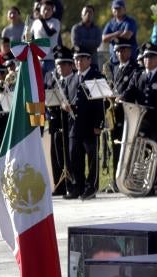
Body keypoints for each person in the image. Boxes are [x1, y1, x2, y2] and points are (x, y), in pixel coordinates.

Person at [120, 43, 157, 197]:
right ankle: (142, 184)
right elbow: (129, 93)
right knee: (141, 154)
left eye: (151, 57)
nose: (147, 60)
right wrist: (120, 97)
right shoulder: (138, 75)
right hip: (141, 122)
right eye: (145, 57)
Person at [64, 47, 104, 200]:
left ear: (89, 60)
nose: (78, 62)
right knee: (75, 157)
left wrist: (98, 124)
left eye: (82, 59)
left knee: (92, 157)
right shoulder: (72, 79)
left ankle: (91, 187)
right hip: (75, 125)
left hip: (90, 125)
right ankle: (78, 186)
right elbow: (66, 99)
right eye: (76, 59)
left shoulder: (96, 77)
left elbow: (100, 103)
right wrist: (65, 106)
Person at [44, 46, 75, 196]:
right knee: (55, 154)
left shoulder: (74, 80)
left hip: (69, 123)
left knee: (68, 154)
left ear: (70, 65)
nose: (59, 67)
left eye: (63, 64)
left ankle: (71, 183)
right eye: (57, 64)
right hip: (56, 122)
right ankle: (59, 184)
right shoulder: (52, 79)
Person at [108, 39, 140, 178]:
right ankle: (117, 177)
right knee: (115, 145)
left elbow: (132, 90)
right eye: (117, 51)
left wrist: (121, 97)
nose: (120, 53)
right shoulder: (114, 68)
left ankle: (128, 176)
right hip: (115, 113)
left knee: (128, 146)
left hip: (128, 113)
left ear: (129, 51)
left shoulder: (135, 68)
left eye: (123, 50)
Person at [102, 0, 138, 65]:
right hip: (115, 58)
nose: (117, 10)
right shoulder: (110, 23)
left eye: (119, 8)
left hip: (129, 58)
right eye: (115, 8)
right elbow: (104, 39)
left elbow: (127, 35)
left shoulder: (130, 21)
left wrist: (111, 37)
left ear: (124, 9)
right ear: (112, 10)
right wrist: (117, 33)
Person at [31, 0, 61, 76]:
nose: (46, 11)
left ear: (53, 11)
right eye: (44, 9)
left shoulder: (56, 22)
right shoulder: (35, 22)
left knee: (51, 85)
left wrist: (42, 20)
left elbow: (50, 33)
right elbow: (30, 37)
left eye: (49, 9)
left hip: (51, 59)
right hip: (38, 59)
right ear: (40, 9)